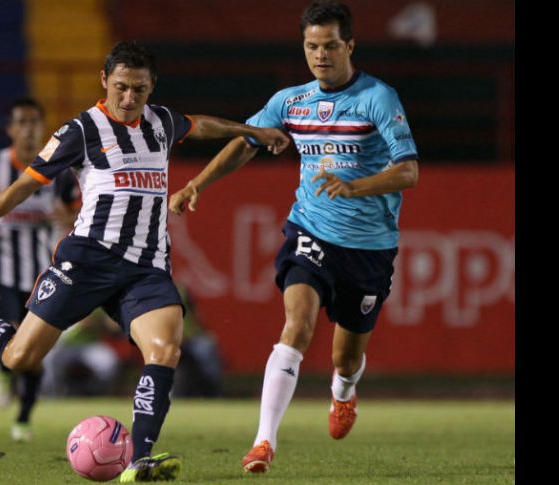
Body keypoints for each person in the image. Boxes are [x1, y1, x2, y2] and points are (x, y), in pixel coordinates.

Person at [0, 40, 290, 482]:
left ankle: (140, 460)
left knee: (166, 349)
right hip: (87, 262)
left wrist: (249, 130)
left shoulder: (161, 122)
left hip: (145, 268)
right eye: (121, 87)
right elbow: (20, 188)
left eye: (139, 89)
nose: (129, 98)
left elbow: (199, 125)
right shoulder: (81, 131)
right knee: (19, 358)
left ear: (152, 87)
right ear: (104, 81)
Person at [169, 0, 419, 474]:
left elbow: (408, 171)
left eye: (329, 46)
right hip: (310, 230)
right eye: (311, 46)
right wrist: (195, 184)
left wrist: (356, 186)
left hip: (368, 247)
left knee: (345, 359)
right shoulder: (291, 101)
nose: (319, 55)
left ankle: (343, 393)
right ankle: (263, 442)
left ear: (349, 45)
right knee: (296, 327)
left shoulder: (378, 99)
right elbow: (247, 142)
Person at [0, 97, 82, 442]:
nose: (29, 129)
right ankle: (1, 373)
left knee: (34, 348)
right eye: (22, 122)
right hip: (0, 271)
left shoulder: (57, 168)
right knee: (10, 334)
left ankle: (24, 419)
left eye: (34, 122)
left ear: (42, 128)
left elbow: (80, 207)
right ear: (11, 129)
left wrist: (71, 218)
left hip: (38, 273)